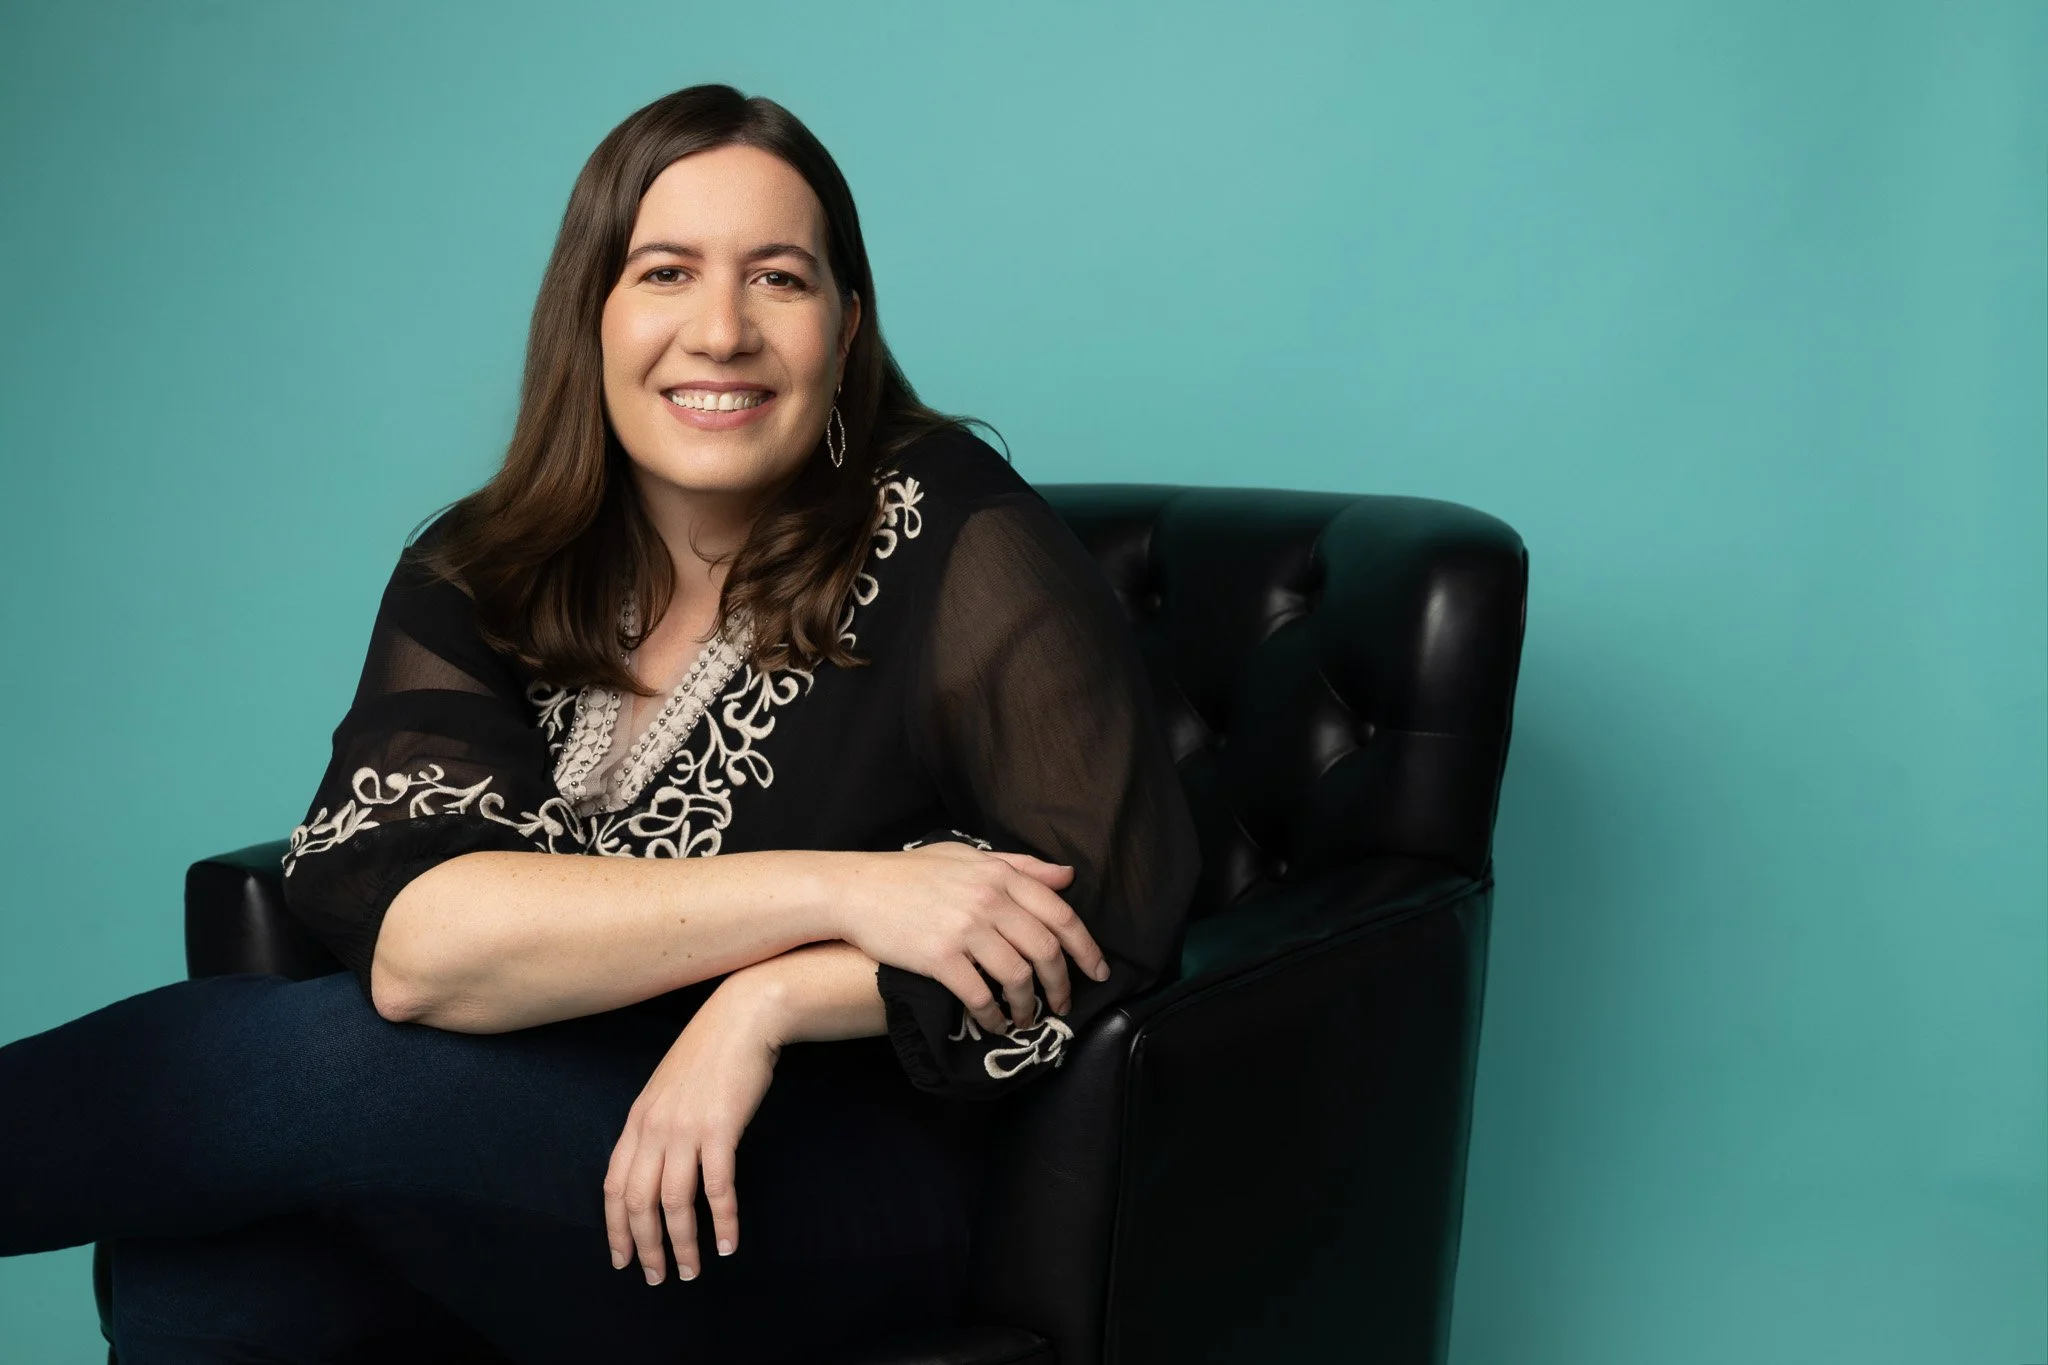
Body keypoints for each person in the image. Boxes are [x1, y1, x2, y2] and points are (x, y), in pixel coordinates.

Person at [0, 82, 1200, 1364]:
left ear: (846, 329)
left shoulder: (957, 534)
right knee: (229, 1252)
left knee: (326, 1077)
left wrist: (764, 1008)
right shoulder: (490, 565)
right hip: (511, 1128)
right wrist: (844, 891)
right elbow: (422, 946)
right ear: (594, 315)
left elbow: (1102, 907)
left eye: (780, 280)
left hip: (814, 1185)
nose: (721, 330)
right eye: (666, 271)